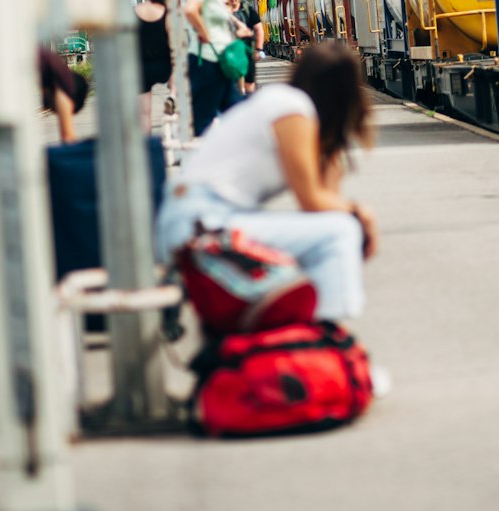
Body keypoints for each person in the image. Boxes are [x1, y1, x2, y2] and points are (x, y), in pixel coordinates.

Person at [157, 42, 377, 326]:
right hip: (199, 223)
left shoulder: (288, 106)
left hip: (204, 218)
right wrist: (361, 213)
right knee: (340, 232)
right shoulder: (292, 109)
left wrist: (332, 151)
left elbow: (322, 204)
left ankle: (316, 327)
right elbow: (312, 200)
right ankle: (329, 334)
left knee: (334, 228)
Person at [184, 0, 247, 136]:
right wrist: (203, 32)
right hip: (208, 62)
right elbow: (189, 9)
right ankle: (200, 158)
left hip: (219, 62)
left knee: (237, 110)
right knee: (203, 117)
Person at [136, 0, 173, 131]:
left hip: (142, 66)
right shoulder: (166, 12)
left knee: (144, 114)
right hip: (164, 65)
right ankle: (173, 98)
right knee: (176, 83)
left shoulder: (135, 11)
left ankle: (147, 146)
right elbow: (173, 42)